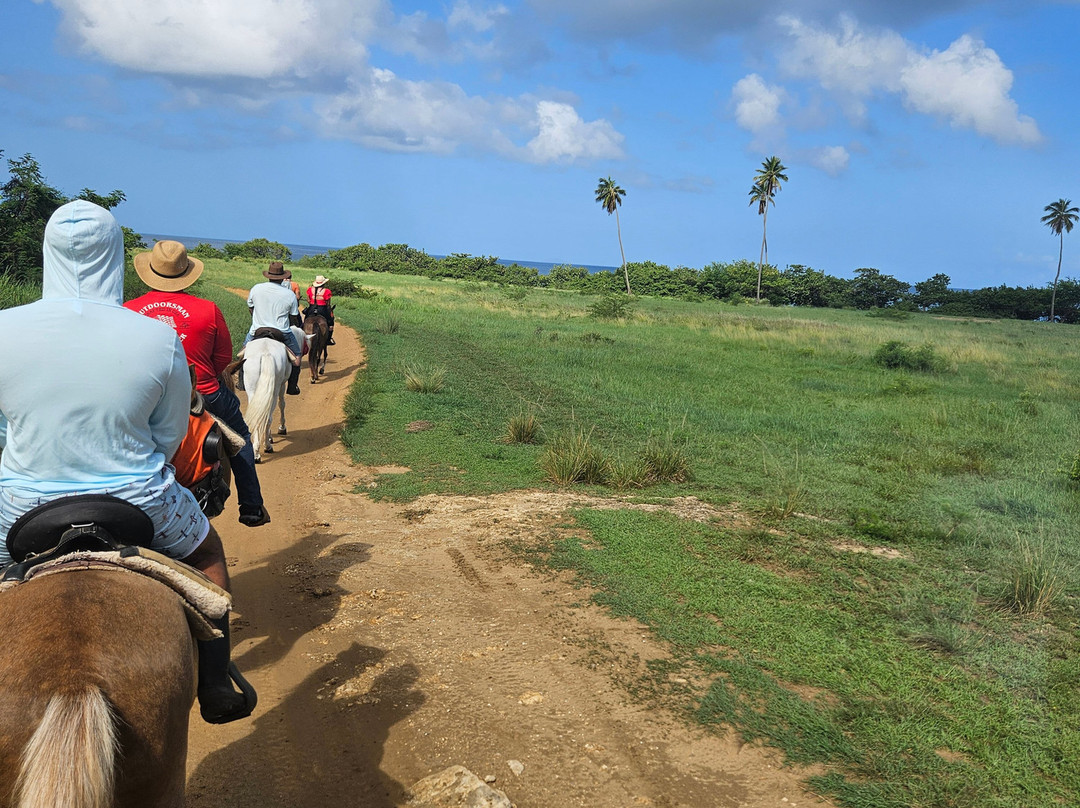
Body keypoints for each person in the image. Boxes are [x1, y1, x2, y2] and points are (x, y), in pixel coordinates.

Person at [0, 201, 256, 724]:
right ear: (117, 258)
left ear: (47, 253)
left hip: (19, 503)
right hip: (138, 499)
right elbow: (168, 436)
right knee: (209, 552)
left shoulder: (4, 328)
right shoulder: (158, 337)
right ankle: (213, 680)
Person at [125, 239, 271, 528]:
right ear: (186, 273)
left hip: (142, 396)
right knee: (240, 440)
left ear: (150, 271)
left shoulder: (128, 308)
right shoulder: (208, 308)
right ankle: (251, 507)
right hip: (203, 393)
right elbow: (222, 360)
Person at [246, 261, 302, 395]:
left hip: (257, 330)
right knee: (297, 357)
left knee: (243, 356)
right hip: (282, 332)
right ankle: (292, 387)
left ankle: (242, 383)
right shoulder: (290, 294)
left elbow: (250, 307)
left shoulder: (256, 288)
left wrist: (257, 318)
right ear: (283, 277)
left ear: (268, 275)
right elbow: (294, 316)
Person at [306, 274, 335, 345]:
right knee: (330, 322)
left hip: (312, 308)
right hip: (322, 309)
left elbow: (308, 300)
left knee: (306, 320)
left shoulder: (310, 289)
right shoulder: (327, 291)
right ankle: (328, 339)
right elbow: (328, 303)